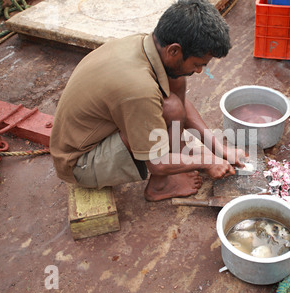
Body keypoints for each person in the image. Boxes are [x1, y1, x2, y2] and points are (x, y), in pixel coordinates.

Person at [50, 0, 245, 201]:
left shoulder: (147, 44)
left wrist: (219, 149)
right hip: (80, 163)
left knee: (175, 84)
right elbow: (157, 162)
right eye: (197, 64)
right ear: (174, 50)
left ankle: (176, 158)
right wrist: (207, 161)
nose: (199, 70)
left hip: (95, 131)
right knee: (169, 109)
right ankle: (160, 186)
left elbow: (178, 100)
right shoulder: (139, 89)